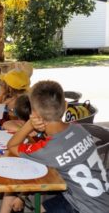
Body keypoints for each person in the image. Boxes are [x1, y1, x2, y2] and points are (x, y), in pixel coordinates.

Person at [8, 80, 109, 213]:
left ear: (34, 115)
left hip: (84, 207)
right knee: (40, 208)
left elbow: (12, 145)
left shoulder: (46, 149)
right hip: (100, 196)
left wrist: (29, 124)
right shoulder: (79, 129)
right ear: (65, 105)